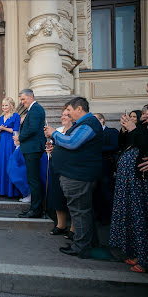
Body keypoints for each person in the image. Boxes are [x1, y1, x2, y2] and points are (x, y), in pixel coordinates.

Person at [45, 97, 103, 257]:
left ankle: (81, 247)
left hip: (78, 176)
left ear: (79, 109)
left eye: (69, 110)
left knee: (79, 212)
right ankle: (88, 243)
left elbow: (72, 143)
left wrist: (54, 133)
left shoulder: (89, 123)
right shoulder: (83, 124)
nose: (68, 114)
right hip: (76, 174)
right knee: (82, 211)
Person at [110, 103, 148, 273]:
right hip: (130, 181)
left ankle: (144, 259)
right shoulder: (139, 129)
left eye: (137, 116)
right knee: (132, 217)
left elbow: (144, 147)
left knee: (140, 218)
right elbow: (123, 146)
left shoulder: (140, 130)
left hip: (139, 181)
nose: (135, 118)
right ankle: (138, 254)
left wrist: (134, 129)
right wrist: (126, 131)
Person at [13, 89, 46, 218]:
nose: (22, 102)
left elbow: (32, 129)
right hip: (31, 149)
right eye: (21, 99)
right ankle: (34, 208)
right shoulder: (32, 109)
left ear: (31, 96)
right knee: (32, 179)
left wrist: (19, 138)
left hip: (33, 149)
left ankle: (36, 210)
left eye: (23, 99)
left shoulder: (36, 109)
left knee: (33, 180)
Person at [46, 106, 75, 239]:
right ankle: (61, 224)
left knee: (71, 198)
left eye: (66, 115)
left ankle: (73, 228)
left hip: (69, 169)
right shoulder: (57, 130)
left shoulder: (75, 131)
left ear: (72, 117)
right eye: (62, 115)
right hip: (55, 167)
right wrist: (51, 150)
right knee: (57, 196)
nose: (63, 117)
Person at [93, 113, 119, 225]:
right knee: (96, 193)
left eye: (96, 120)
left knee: (106, 193)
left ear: (102, 120)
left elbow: (114, 146)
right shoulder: (91, 134)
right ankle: (97, 216)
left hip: (106, 167)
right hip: (94, 168)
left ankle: (107, 218)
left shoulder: (111, 132)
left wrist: (97, 149)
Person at [0, 97, 21, 197]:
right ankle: (2, 190)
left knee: (10, 163)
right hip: (2, 142)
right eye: (3, 105)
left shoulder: (16, 116)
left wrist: (4, 128)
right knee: (2, 163)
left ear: (11, 106)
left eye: (6, 105)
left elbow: (16, 130)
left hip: (11, 141)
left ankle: (12, 191)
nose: (4, 107)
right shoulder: (1, 117)